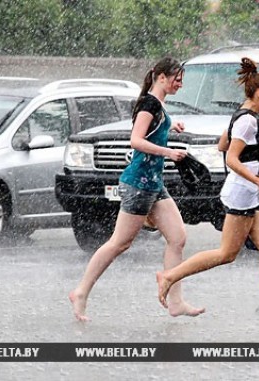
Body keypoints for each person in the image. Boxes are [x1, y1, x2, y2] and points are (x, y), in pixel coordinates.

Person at [156, 57, 259, 327]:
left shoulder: (246, 117)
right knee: (226, 254)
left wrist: (251, 138)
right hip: (243, 194)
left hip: (250, 195)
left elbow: (221, 144)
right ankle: (170, 276)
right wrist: (256, 179)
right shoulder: (248, 121)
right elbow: (230, 158)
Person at [69, 57, 204, 322]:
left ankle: (175, 301)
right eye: (177, 79)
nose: (180, 84)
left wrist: (171, 125)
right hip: (137, 185)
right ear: (161, 77)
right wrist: (169, 152)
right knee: (120, 243)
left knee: (177, 238)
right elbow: (136, 140)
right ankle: (81, 292)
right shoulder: (148, 104)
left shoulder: (158, 105)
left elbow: (153, 127)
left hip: (154, 183)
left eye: (181, 79)